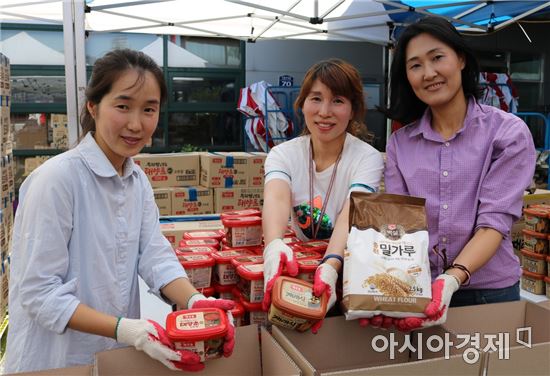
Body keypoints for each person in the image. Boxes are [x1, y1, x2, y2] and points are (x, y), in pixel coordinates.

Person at [5, 49, 235, 373]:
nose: (136, 124)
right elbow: (39, 293)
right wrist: (123, 328)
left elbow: (154, 255)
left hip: (112, 357)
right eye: (123, 106)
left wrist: (195, 301)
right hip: (55, 361)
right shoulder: (57, 180)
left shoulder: (136, 180)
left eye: (149, 109)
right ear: (93, 106)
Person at [381, 16, 536, 330]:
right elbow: (398, 222)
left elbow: (494, 221)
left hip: (489, 292)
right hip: (418, 289)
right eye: (415, 65)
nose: (429, 73)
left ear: (461, 58)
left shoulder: (507, 134)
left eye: (437, 57)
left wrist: (451, 279)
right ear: (406, 77)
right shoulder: (400, 143)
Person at [261, 59, 384, 332]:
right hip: (299, 271)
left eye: (338, 101)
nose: (324, 112)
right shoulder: (284, 154)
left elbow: (351, 211)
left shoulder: (367, 158)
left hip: (348, 272)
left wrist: (331, 264)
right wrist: (273, 246)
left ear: (353, 110)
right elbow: (277, 198)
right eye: (316, 99)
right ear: (302, 103)